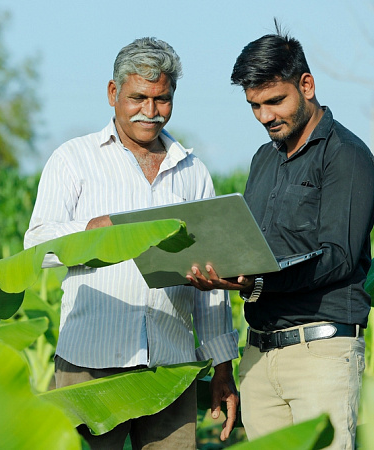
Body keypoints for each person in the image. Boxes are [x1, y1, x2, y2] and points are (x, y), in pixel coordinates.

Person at [24, 37, 239, 449]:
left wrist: (223, 367)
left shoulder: (193, 172)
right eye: (138, 97)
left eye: (162, 99)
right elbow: (37, 247)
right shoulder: (74, 159)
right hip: (90, 365)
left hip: (171, 366)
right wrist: (94, 228)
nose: (151, 111)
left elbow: (213, 283)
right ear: (113, 93)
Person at [187, 23, 374, 449]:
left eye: (275, 101)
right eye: (255, 106)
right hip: (258, 354)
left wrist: (256, 280)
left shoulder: (346, 156)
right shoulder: (264, 159)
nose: (265, 117)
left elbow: (339, 256)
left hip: (320, 355)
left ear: (307, 85)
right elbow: (253, 248)